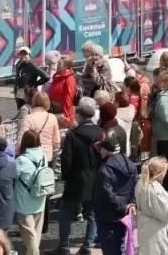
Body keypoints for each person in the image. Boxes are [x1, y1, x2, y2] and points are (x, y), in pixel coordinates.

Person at [58, 97, 104, 254]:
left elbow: (67, 159)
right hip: (95, 179)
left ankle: (64, 246)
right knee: (92, 214)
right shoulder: (100, 133)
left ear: (79, 115)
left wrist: (66, 177)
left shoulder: (73, 134)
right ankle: (88, 245)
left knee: (65, 213)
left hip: (75, 179)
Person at [93, 136, 138, 255]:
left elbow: (107, 194)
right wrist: (130, 204)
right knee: (121, 245)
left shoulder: (105, 169)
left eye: (101, 148)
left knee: (110, 249)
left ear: (106, 150)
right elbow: (134, 187)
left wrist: (122, 206)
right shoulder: (130, 165)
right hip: (125, 214)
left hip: (108, 215)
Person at [13, 131, 49, 255]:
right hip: (40, 199)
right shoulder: (43, 156)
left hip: (24, 203)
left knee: (30, 234)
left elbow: (13, 176)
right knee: (35, 234)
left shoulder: (21, 160)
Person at [135, 156, 168, 255]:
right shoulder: (155, 190)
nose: (166, 174)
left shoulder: (141, 183)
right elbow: (167, 214)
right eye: (165, 172)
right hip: (156, 232)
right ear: (160, 173)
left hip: (145, 227)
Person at [18, 92, 60, 164]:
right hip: (47, 157)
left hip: (31, 157)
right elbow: (56, 141)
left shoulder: (28, 118)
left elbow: (21, 139)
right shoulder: (52, 117)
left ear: (33, 101)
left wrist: (17, 154)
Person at [48, 54, 78, 123]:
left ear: (66, 66)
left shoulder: (69, 79)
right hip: (53, 108)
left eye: (59, 64)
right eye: (58, 63)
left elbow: (69, 97)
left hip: (61, 110)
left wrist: (67, 115)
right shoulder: (57, 76)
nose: (57, 65)